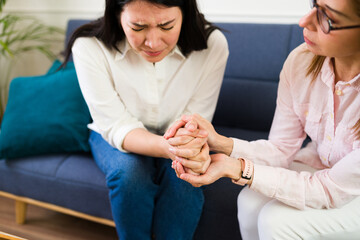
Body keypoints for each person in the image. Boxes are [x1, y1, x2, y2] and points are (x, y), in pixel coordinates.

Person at [165, 0, 360, 239]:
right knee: (249, 200)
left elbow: (328, 189)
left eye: (328, 19)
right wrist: (219, 143)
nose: (304, 21)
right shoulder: (301, 62)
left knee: (277, 222)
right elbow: (281, 148)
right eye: (314, 4)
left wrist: (239, 168)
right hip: (320, 165)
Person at [61, 0, 229, 239]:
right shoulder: (89, 47)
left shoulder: (213, 45)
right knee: (130, 175)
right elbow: (116, 124)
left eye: (167, 26)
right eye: (138, 27)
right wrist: (169, 147)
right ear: (117, 15)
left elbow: (196, 119)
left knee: (185, 179)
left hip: (179, 137)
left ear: (185, 14)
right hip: (114, 134)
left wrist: (184, 147)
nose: (153, 42)